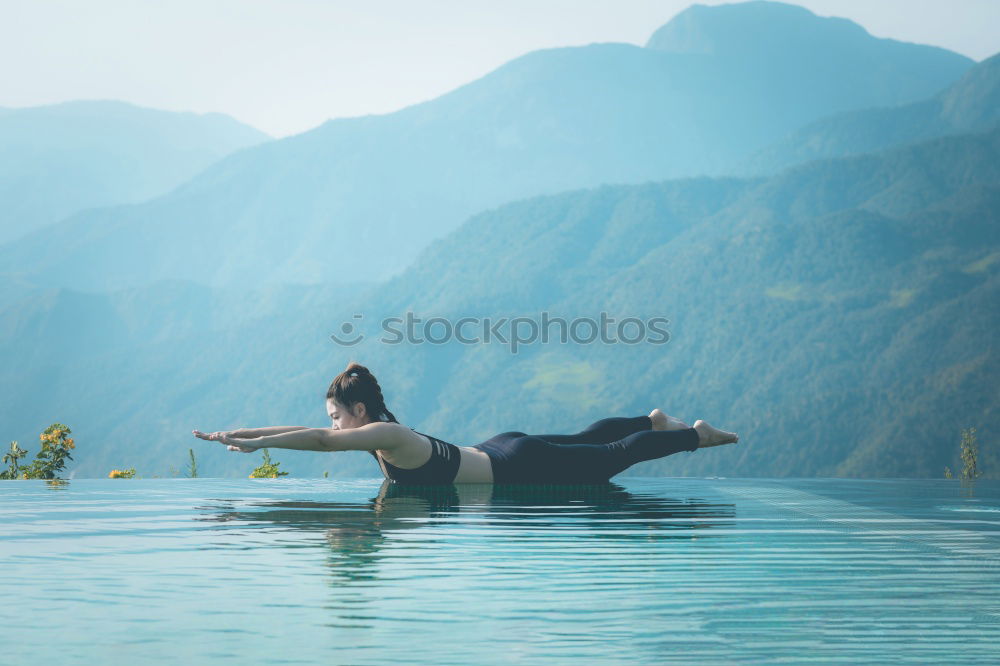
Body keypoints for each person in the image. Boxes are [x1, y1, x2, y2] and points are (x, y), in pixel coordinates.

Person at [193, 362, 739, 485]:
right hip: (496, 448)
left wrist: (254, 444)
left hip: (512, 462)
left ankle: (695, 434)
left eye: (338, 416)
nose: (333, 426)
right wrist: (239, 435)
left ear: (359, 412)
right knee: (585, 439)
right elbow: (301, 427)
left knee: (614, 457)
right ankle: (653, 419)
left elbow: (312, 439)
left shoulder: (384, 434)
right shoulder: (379, 430)